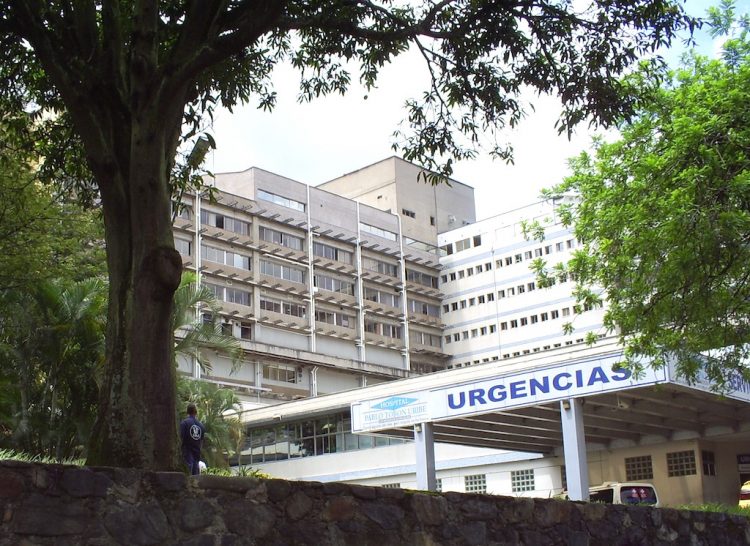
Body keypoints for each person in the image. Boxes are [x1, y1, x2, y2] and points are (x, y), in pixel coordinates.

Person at [180, 403, 205, 476]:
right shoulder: (201, 426)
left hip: (187, 450)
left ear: (187, 412)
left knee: (188, 471)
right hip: (196, 452)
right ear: (196, 412)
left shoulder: (184, 423)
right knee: (195, 473)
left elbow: (181, 437)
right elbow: (201, 441)